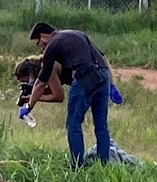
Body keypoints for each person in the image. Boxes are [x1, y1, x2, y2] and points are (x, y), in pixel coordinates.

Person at [25, 21, 119, 167]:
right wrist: (111, 85)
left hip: (84, 77)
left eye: (39, 43)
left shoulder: (52, 44)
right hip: (103, 76)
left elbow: (41, 82)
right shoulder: (76, 34)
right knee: (101, 124)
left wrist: (29, 105)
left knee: (73, 123)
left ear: (43, 36)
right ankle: (103, 164)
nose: (41, 47)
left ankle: (77, 166)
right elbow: (103, 58)